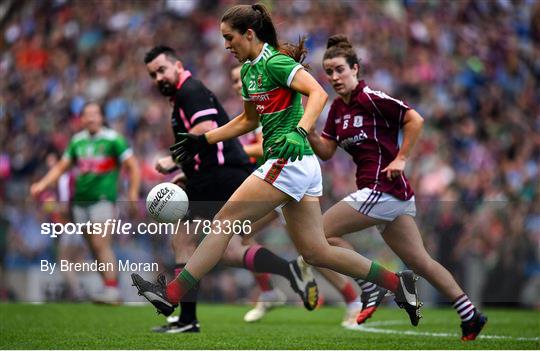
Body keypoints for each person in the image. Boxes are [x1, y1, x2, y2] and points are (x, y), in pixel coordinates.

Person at [132, 4, 421, 328]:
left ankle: (171, 295)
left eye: (230, 38)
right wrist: (205, 140)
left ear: (249, 34)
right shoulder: (248, 71)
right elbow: (247, 120)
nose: (226, 45)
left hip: (290, 160)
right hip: (296, 166)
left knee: (224, 221)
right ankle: (398, 283)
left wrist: (300, 129)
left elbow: (317, 94)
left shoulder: (276, 62)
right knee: (316, 252)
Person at [307, 34, 487, 340]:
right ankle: (470, 315)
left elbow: (415, 120)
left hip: (383, 189)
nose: (334, 77)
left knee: (317, 235)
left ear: (355, 69)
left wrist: (402, 158)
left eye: (340, 69)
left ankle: (373, 284)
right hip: (387, 196)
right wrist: (307, 129)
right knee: (421, 261)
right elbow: (326, 151)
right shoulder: (337, 109)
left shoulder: (372, 99)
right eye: (329, 72)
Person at [144, 45, 318, 333]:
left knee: (191, 241)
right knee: (220, 247)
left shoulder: (191, 91)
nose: (158, 77)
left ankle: (188, 317)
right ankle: (289, 271)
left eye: (162, 70)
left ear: (177, 65)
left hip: (221, 176)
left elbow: (206, 129)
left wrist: (172, 160)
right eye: (153, 74)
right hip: (213, 175)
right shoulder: (182, 96)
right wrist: (188, 174)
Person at [232, 64, 365, 328]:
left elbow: (266, 147)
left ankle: (354, 298)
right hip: (276, 186)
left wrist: (239, 151)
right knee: (241, 234)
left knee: (314, 251)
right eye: (234, 81)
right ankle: (270, 291)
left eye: (240, 79)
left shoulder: (268, 105)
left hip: (289, 182)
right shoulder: (251, 111)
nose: (238, 84)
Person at [30, 102, 141, 304]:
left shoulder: (113, 139)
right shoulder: (77, 142)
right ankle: (109, 288)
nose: (91, 118)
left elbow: (133, 166)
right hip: (80, 203)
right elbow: (61, 168)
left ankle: (112, 289)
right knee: (93, 247)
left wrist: (133, 192)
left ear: (101, 117)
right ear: (81, 119)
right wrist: (43, 184)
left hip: (103, 199)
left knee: (101, 242)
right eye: (87, 115)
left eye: (94, 114)